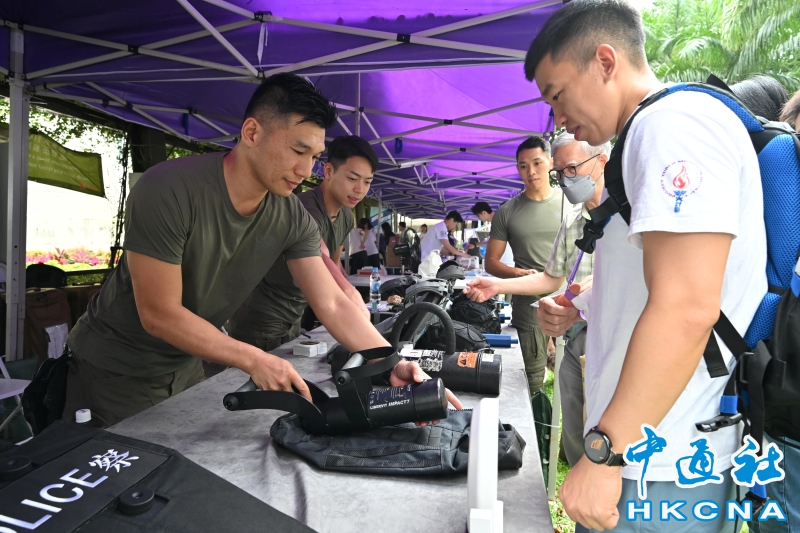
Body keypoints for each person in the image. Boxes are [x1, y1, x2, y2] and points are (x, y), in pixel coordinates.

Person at [62, 73, 443, 428]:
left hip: (187, 364)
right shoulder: (168, 188)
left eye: (314, 157)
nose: (305, 169)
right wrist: (254, 358)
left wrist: (390, 362)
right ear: (251, 132)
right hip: (116, 369)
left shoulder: (290, 213)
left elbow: (331, 301)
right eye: (297, 150)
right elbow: (159, 314)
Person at [526, 1, 767, 531]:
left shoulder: (671, 126)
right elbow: (655, 281)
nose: (558, 119)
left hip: (657, 458)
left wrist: (604, 452)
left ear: (605, 61)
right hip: (654, 450)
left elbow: (686, 306)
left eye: (557, 95)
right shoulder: (651, 132)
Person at [464, 133, 610, 476]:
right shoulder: (572, 220)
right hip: (572, 337)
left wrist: (581, 302)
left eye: (571, 168)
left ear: (602, 161)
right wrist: (498, 285)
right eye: (561, 172)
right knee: (575, 431)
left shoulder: (629, 218)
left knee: (609, 433)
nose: (565, 179)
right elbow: (551, 279)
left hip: (613, 340)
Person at [228, 135, 374, 352]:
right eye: (353, 178)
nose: (360, 189)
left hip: (295, 313)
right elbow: (320, 256)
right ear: (328, 171)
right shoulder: (303, 208)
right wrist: (349, 294)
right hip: (262, 314)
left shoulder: (345, 216)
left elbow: (334, 265)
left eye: (367, 182)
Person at [485, 136, 562, 395]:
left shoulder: (571, 203)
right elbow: (491, 262)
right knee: (531, 380)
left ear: (551, 162)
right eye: (523, 166)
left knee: (576, 376)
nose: (531, 171)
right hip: (528, 305)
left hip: (570, 300)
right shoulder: (507, 211)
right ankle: (536, 421)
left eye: (537, 163)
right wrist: (518, 273)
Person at [470, 201, 515, 268]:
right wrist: (475, 244)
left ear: (484, 213)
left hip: (505, 261)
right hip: (503, 260)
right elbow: (492, 239)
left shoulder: (499, 221)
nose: (478, 218)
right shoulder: (495, 222)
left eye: (478, 216)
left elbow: (493, 240)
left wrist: (476, 245)